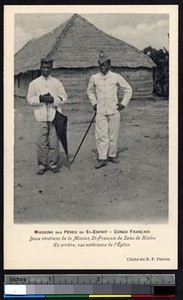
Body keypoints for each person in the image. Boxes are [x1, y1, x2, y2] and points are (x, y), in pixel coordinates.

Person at [87, 50, 132, 169]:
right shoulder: (94, 78)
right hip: (101, 111)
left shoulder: (116, 77)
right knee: (101, 135)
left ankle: (112, 155)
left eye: (105, 64)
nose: (103, 67)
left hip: (114, 110)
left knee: (113, 134)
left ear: (110, 64)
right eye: (101, 64)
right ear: (98, 64)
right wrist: (94, 103)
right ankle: (102, 158)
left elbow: (128, 89)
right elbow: (90, 92)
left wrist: (123, 104)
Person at [27, 58, 68, 175]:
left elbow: (64, 97)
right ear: (40, 68)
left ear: (51, 68)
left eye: (48, 68)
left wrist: (53, 99)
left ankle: (53, 164)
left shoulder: (57, 83)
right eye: (44, 67)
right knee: (41, 142)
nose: (46, 70)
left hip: (54, 116)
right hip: (40, 117)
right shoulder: (34, 83)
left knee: (54, 141)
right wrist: (40, 98)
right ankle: (42, 165)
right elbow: (29, 99)